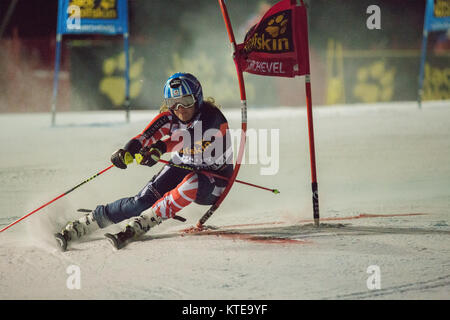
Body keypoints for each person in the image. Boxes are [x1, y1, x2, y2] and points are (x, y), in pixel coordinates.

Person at [55, 73, 233, 250]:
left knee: (192, 182)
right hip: (183, 165)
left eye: (186, 101)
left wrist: (159, 149)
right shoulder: (171, 118)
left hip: (215, 180)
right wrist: (127, 151)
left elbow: (186, 138)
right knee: (139, 203)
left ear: (197, 97)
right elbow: (145, 137)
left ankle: (146, 221)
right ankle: (86, 223)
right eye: (173, 103)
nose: (180, 108)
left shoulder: (213, 118)